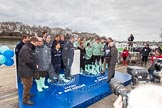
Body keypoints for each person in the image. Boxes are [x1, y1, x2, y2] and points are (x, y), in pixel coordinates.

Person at [18, 37, 39, 105]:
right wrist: (35, 66)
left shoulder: (29, 47)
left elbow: (32, 58)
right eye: (36, 43)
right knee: (27, 85)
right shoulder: (25, 49)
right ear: (33, 41)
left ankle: (28, 94)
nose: (37, 44)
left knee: (29, 84)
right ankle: (25, 99)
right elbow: (28, 60)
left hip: (29, 69)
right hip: (25, 70)